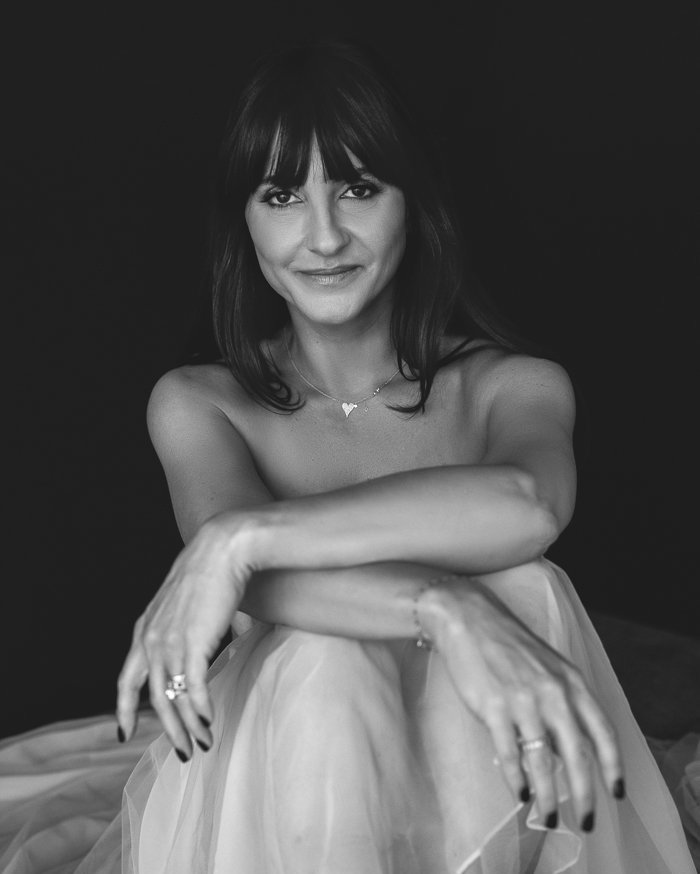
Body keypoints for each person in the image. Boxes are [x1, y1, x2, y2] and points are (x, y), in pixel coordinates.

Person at [0, 38, 697, 874]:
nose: (324, 235)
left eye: (360, 188)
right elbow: (255, 590)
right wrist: (443, 605)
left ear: (414, 202)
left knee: (529, 584)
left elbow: (530, 505)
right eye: (284, 194)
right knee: (329, 655)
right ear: (246, 220)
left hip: (487, 759)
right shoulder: (201, 401)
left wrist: (238, 539)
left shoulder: (509, 386)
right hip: (287, 776)